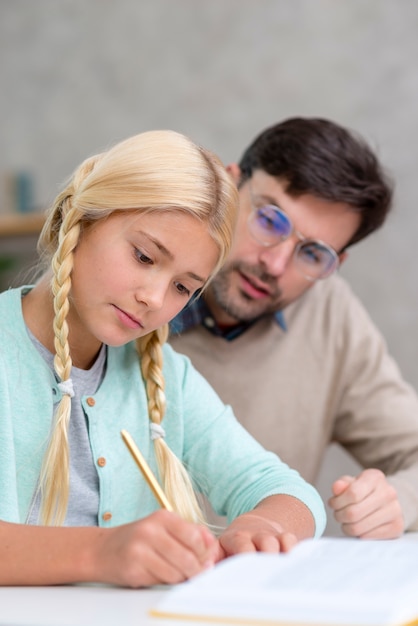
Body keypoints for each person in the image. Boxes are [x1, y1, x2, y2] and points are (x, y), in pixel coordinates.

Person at [0, 129, 326, 588]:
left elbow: (291, 493)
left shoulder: (168, 379)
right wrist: (102, 552)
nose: (154, 299)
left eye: (182, 287)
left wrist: (264, 527)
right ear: (82, 219)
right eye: (144, 256)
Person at [170, 117, 418, 540]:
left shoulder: (331, 315)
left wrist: (401, 499)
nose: (275, 264)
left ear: (335, 265)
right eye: (269, 221)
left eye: (313, 253)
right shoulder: (136, 283)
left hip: (251, 586)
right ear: (228, 187)